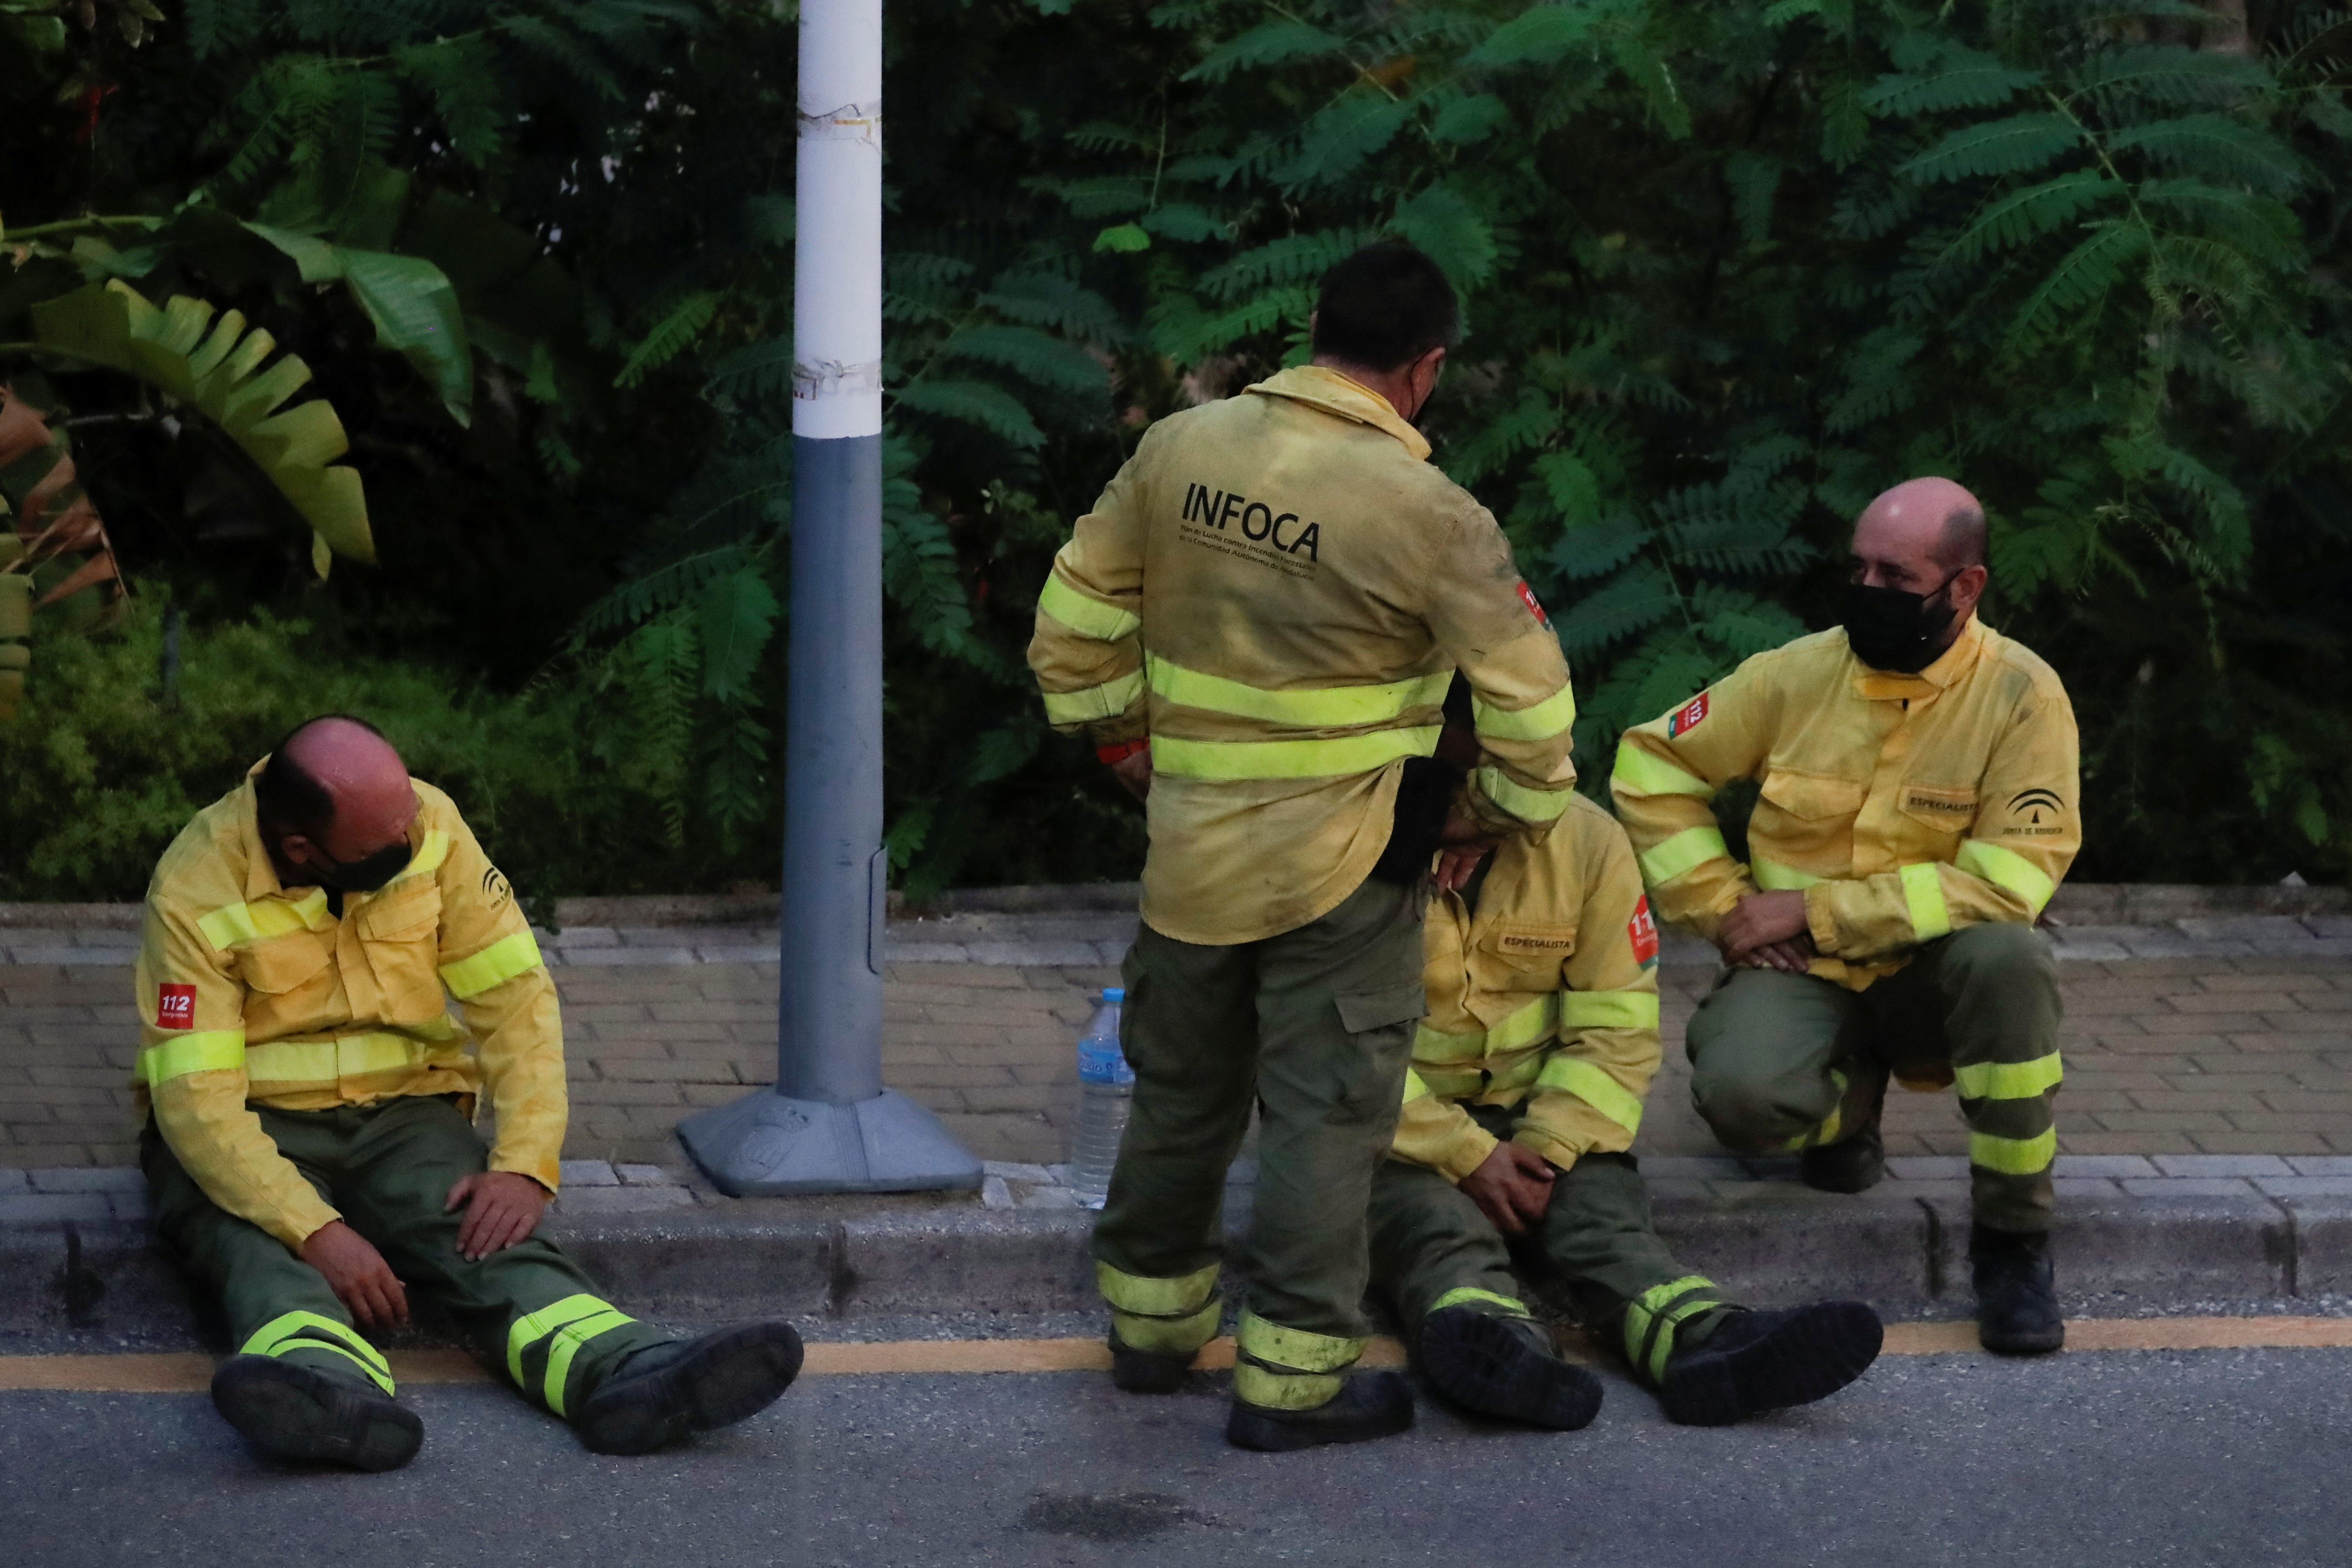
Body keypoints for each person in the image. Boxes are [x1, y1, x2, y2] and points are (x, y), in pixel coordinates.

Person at [1027, 240, 1578, 1451]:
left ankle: (1150, 1329)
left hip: (1188, 854)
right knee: (1327, 1119)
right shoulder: (1431, 515)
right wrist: (1504, 821)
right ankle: (1292, 1382)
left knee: (1177, 1094)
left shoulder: (1182, 450)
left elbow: (1068, 629)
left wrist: (1125, 750)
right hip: (1345, 870)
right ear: (1423, 369)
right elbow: (1534, 712)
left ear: (1312, 334)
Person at [132, 715, 803, 1470]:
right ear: (301, 850)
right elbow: (197, 1100)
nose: (412, 837)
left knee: (488, 1234)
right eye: (384, 843)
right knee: (257, 1250)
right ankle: (324, 1391)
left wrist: (522, 1163)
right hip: (249, 1127)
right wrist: (314, 1230)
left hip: (407, 1114)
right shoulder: (195, 885)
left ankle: (622, 1366)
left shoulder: (429, 822)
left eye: (410, 816)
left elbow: (517, 999)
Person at [1611, 477, 2080, 1354]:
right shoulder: (1794, 673)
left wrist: (1816, 911)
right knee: (1742, 1098)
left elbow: (2015, 878)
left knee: (2012, 959)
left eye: (1895, 577)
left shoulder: (2024, 696)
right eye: (1857, 567)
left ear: (1964, 587)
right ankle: (1847, 1110)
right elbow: (1649, 767)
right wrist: (1723, 908)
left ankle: (2013, 1246)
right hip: (1806, 976)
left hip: (1935, 977)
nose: (1867, 590)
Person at [1370, 684, 1882, 1428]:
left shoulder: (1585, 840)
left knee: (1602, 1223)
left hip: (1540, 1114)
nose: (1519, 774)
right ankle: (1490, 1347)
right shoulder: (1346, 840)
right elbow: (1330, 1050)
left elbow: (1615, 1026)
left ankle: (1705, 1339)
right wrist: (1465, 1154)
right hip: (1393, 1130)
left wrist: (1546, 1145)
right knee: (1430, 1228)